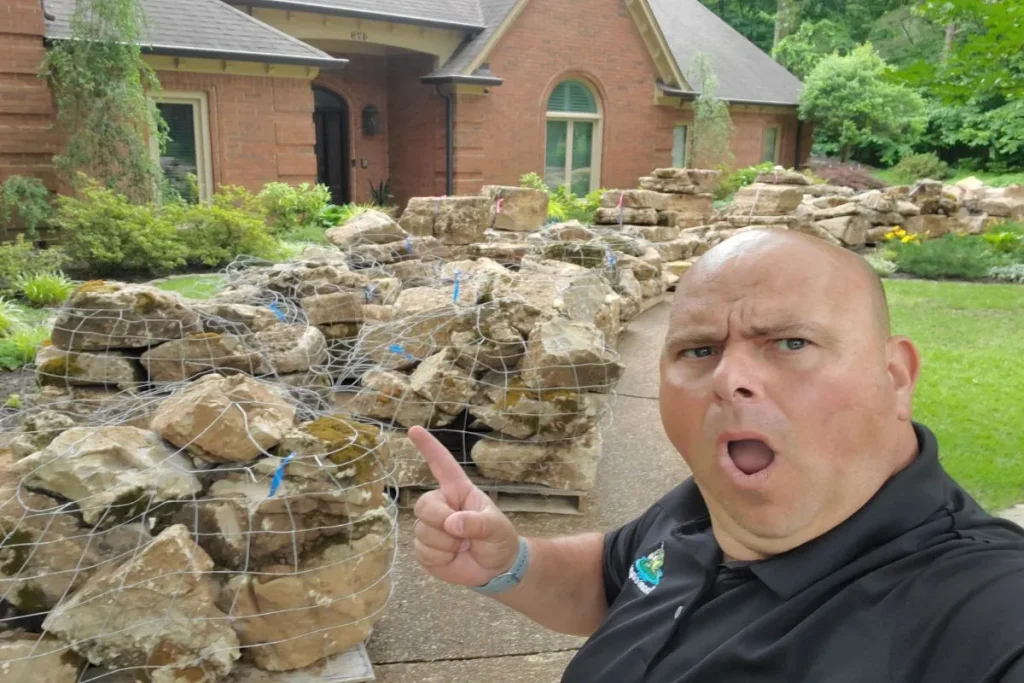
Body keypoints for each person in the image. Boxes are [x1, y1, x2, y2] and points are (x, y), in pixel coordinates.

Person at [409, 228, 1024, 682]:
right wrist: (509, 562)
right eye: (699, 351)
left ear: (894, 376)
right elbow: (612, 578)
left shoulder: (982, 609)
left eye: (790, 341)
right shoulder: (702, 505)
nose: (729, 378)